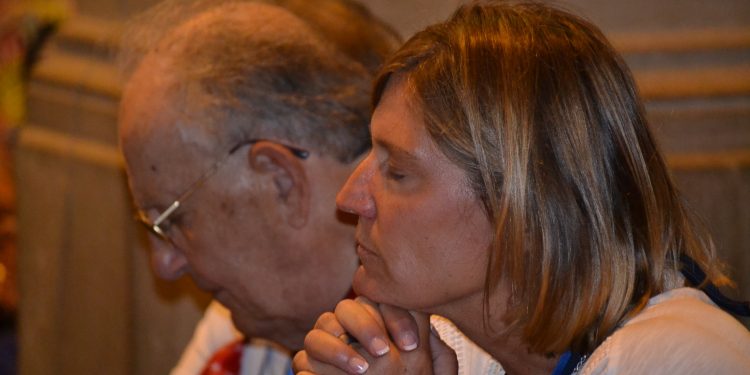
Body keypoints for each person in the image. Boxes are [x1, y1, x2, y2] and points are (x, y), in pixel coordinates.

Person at [293, 1, 750, 374]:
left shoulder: (678, 359)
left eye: (398, 172)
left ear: (523, 205)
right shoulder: (443, 350)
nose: (349, 198)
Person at [119, 1, 499, 374]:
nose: (163, 265)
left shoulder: (457, 351)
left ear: (281, 181)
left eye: (172, 220)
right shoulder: (236, 325)